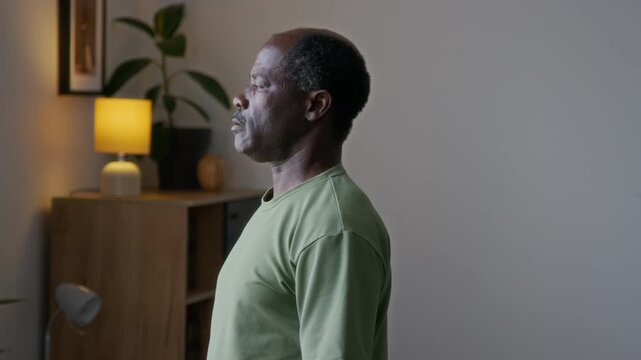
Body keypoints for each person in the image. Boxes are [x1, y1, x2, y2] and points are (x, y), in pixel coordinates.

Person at [207, 28, 391, 360]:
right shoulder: (281, 206)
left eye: (260, 84)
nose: (240, 98)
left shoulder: (333, 225)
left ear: (315, 105)